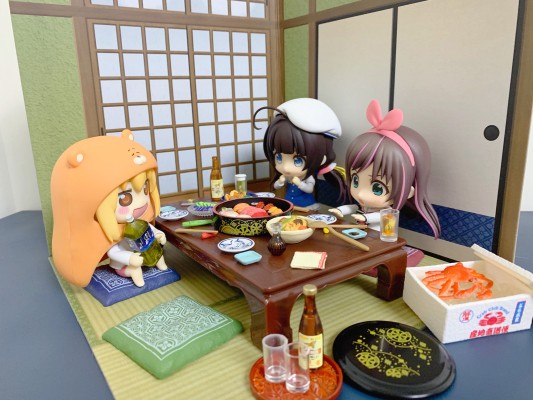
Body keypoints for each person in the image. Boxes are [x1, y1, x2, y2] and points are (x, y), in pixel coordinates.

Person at [51, 129, 167, 288]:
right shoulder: (112, 234)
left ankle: (161, 266)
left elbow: (150, 230)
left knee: (157, 253)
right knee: (133, 269)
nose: (141, 203)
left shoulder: (140, 223)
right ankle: (135, 276)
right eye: (125, 199)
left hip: (145, 253)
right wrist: (129, 258)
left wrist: (159, 235)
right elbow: (114, 252)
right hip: (125, 263)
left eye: (146, 190)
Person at [329, 99, 441, 239]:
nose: (361, 194)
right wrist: (341, 210)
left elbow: (380, 217)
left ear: (408, 192)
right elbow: (354, 208)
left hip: (381, 238)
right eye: (355, 181)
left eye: (377, 188)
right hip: (362, 234)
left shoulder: (389, 212)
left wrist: (366, 218)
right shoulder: (364, 206)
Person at [254, 98, 346, 209]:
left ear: (321, 158)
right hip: (289, 205)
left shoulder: (307, 177)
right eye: (279, 158)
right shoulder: (287, 176)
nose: (286, 167)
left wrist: (300, 183)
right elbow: (276, 186)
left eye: (297, 160)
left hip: (307, 206)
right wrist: (280, 182)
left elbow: (310, 189)